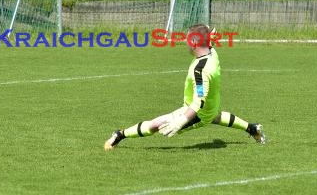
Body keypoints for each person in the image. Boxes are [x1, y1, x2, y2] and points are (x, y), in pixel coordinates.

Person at [104, 24, 266, 150]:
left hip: (198, 113)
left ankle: (120, 135)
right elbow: (210, 44)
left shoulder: (200, 70)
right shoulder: (212, 53)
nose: (185, 42)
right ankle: (252, 128)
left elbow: (198, 101)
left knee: (156, 125)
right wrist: (211, 36)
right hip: (212, 104)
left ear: (194, 42)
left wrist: (181, 120)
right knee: (216, 116)